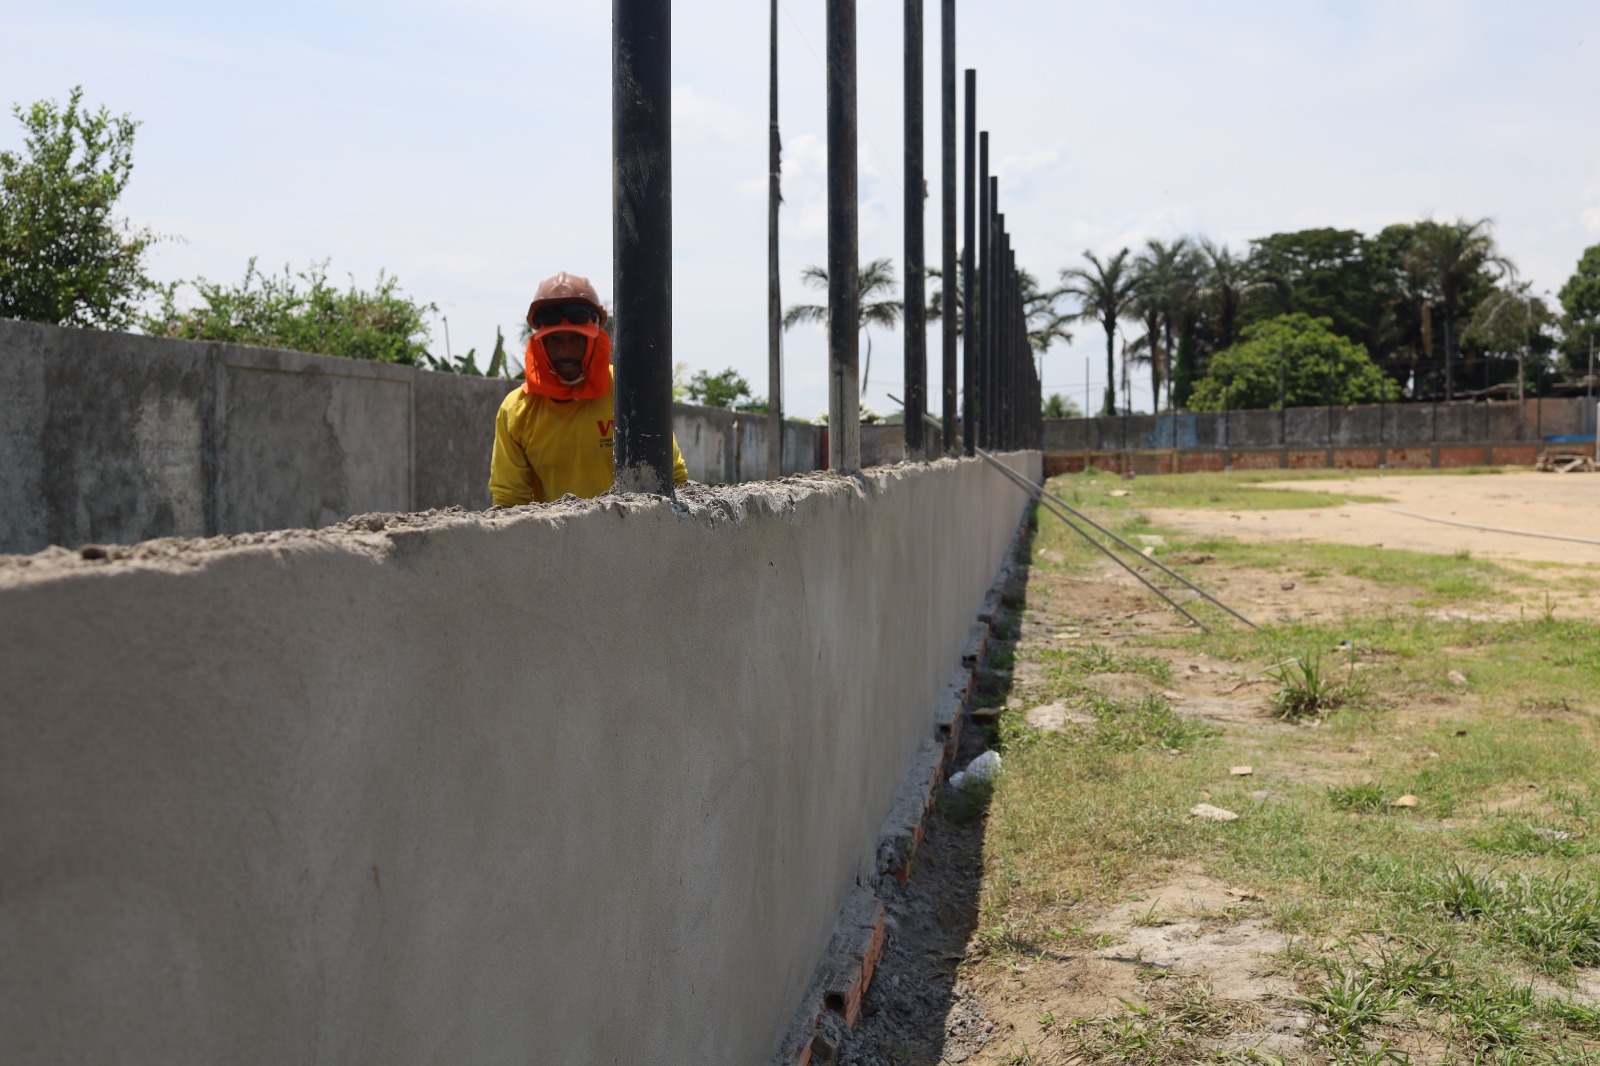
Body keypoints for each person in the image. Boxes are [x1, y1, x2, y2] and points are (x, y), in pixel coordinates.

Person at [489, 271, 688, 506]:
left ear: (595, 338)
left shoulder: (630, 393)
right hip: (559, 540)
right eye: (554, 341)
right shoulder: (516, 411)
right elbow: (510, 500)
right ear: (539, 342)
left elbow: (673, 479)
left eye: (575, 339)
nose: (565, 353)